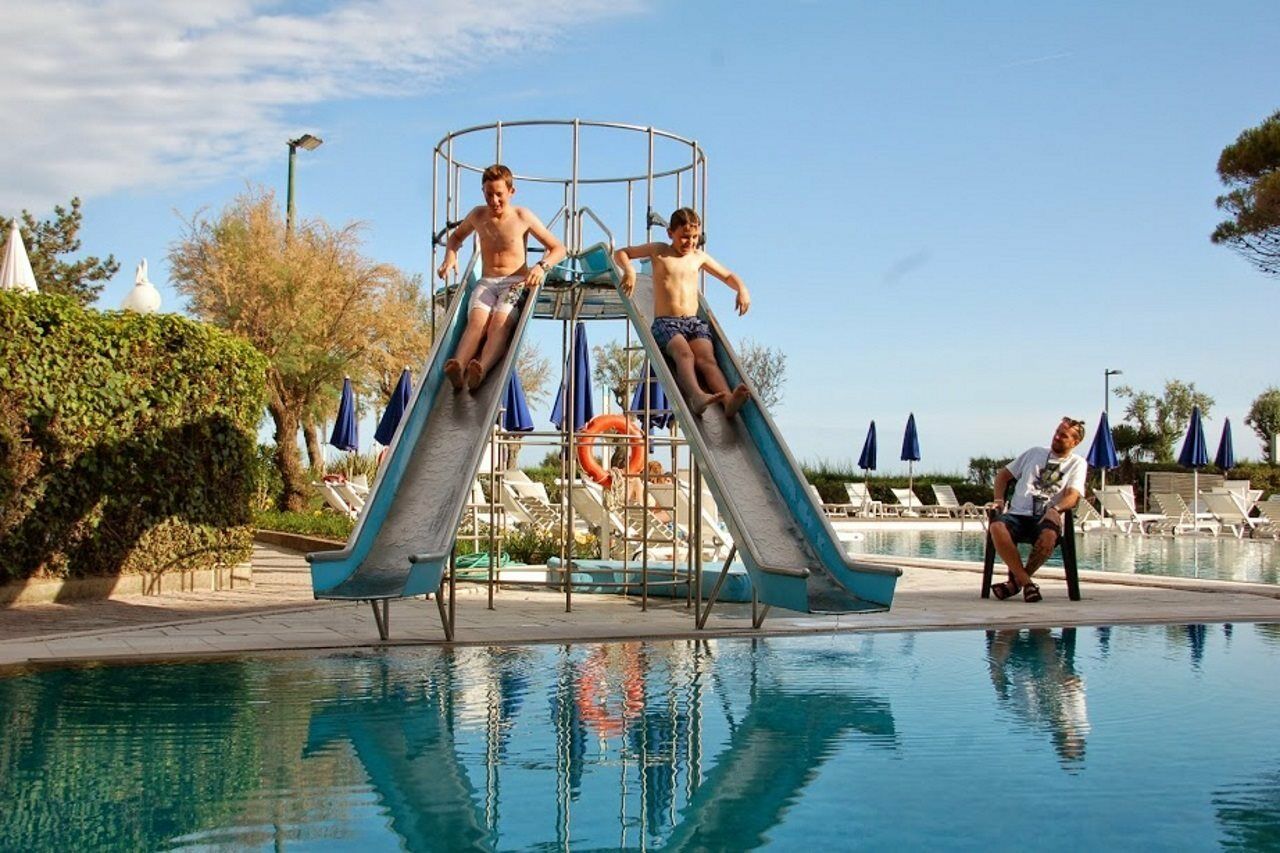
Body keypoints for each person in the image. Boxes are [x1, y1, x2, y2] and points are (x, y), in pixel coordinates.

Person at [437, 164, 566, 391]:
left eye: (499, 195)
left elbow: (558, 248)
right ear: (483, 192)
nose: (494, 200)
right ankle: (458, 366)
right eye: (489, 195)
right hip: (487, 282)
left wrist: (541, 266)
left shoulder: (522, 216)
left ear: (511, 192)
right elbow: (455, 238)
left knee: (499, 323)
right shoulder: (477, 215)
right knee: (476, 323)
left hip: (514, 283)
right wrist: (450, 256)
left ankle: (481, 368)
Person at [613, 208, 751, 417]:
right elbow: (621, 253)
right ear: (670, 233)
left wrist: (742, 289)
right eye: (684, 237)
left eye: (694, 237)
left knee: (707, 360)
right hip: (666, 323)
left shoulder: (698, 257)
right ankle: (696, 396)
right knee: (685, 354)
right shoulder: (659, 250)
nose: (690, 242)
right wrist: (629, 270)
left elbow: (727, 275)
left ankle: (727, 399)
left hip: (693, 322)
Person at [988, 417, 1088, 603]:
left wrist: (1056, 509)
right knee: (996, 527)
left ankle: (1016, 584)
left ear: (1075, 442)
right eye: (1057, 432)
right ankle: (1026, 584)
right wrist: (999, 500)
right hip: (1017, 515)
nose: (1057, 437)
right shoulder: (1034, 453)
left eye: (1063, 436)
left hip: (1045, 519)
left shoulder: (1077, 464)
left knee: (1049, 537)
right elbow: (1003, 475)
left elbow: (1073, 496)